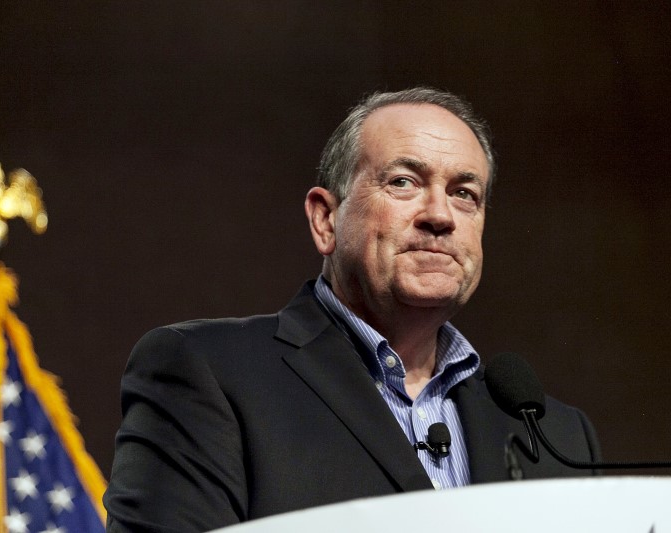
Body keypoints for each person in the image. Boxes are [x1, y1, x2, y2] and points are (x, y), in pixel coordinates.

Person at [103, 88, 601, 532]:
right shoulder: (208, 373)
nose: (440, 216)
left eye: (464, 194)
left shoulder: (557, 435)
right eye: (404, 181)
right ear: (326, 219)